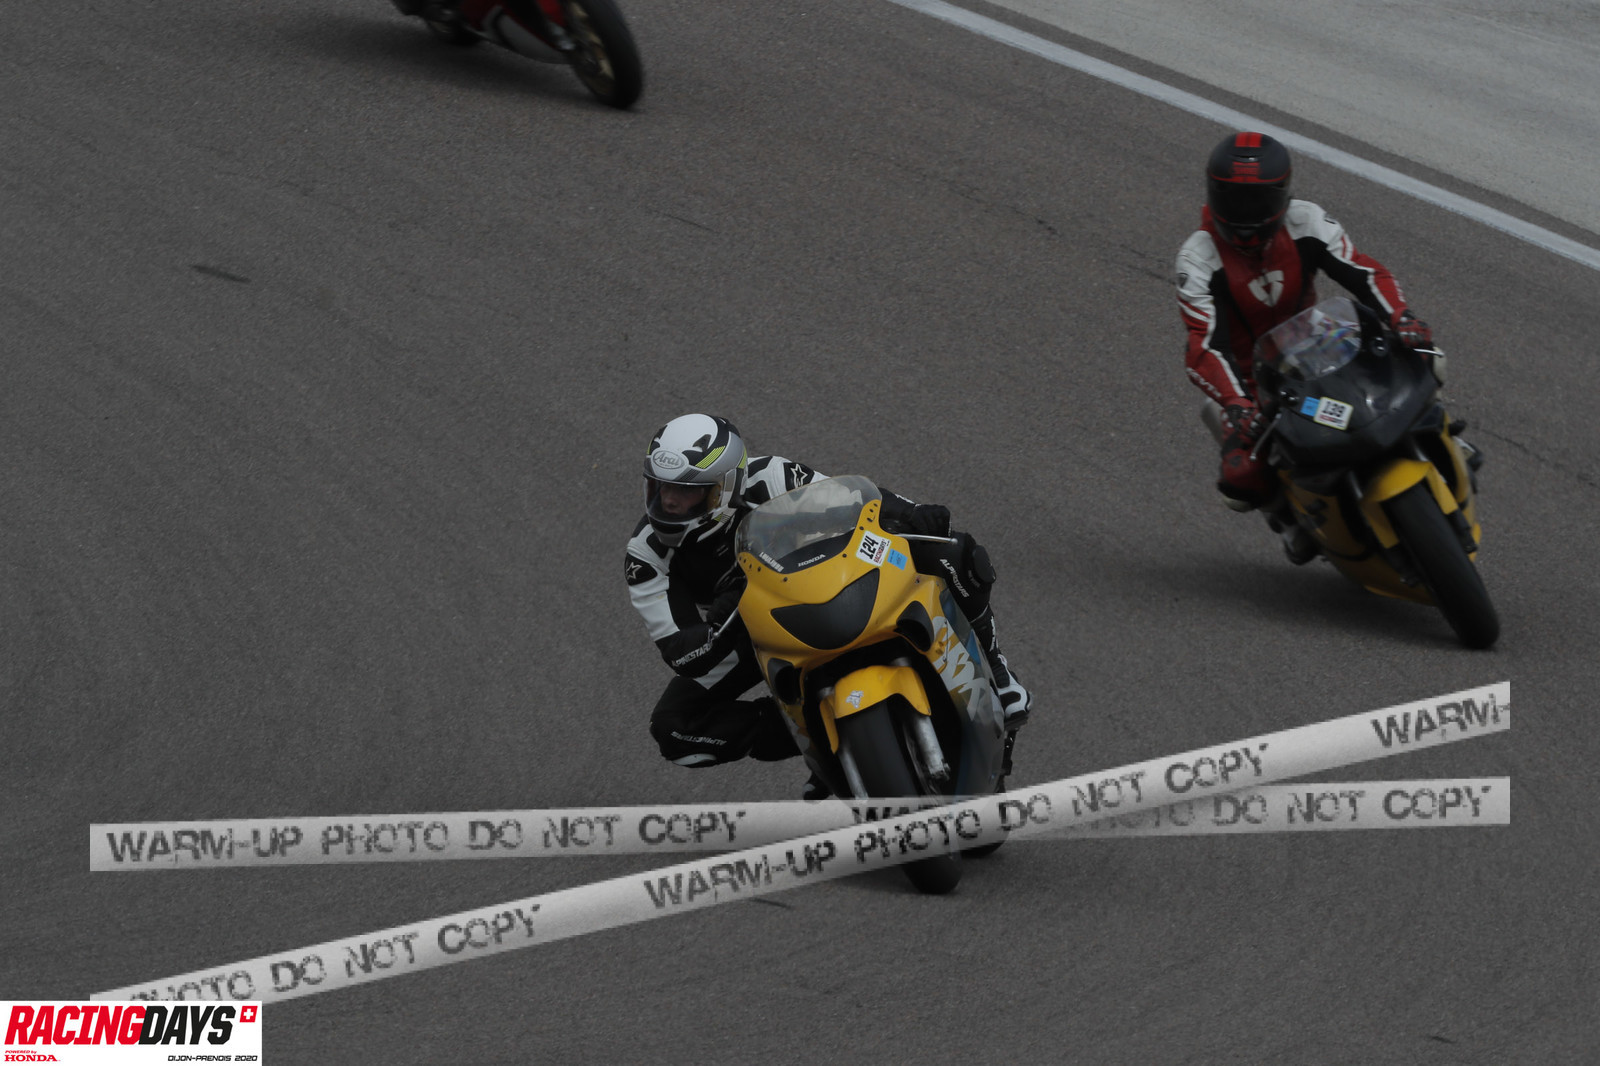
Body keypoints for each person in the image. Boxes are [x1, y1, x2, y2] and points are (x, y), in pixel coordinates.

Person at [624, 413, 1031, 798]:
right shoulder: (645, 557)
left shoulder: (771, 477)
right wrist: (733, 607)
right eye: (659, 488)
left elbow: (853, 501)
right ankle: (815, 741)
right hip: (746, 630)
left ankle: (998, 671)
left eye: (687, 490)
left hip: (823, 577)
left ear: (726, 487)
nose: (669, 501)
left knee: (958, 551)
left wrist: (912, 513)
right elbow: (685, 654)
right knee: (673, 728)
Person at [1175, 131, 1476, 562]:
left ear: (1282, 195)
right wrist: (1236, 403)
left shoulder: (1307, 221)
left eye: (1257, 201)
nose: (1245, 214)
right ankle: (1288, 519)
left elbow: (1364, 273)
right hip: (1253, 381)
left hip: (1321, 342)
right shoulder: (1197, 258)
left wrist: (1401, 317)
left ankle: (1439, 431)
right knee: (1240, 479)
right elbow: (1204, 346)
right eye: (1234, 200)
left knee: (1429, 359)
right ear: (1212, 194)